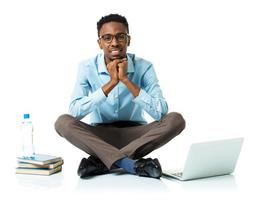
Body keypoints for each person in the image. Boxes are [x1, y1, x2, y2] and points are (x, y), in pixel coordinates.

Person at [55, 14, 185, 179]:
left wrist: (125, 80)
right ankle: (129, 164)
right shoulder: (86, 67)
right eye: (107, 38)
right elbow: (75, 112)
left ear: (128, 40)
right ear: (99, 43)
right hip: (100, 136)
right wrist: (111, 83)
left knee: (176, 120)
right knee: (62, 122)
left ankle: (104, 162)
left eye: (120, 37)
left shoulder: (144, 66)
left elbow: (160, 112)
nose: (114, 43)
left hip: (137, 136)